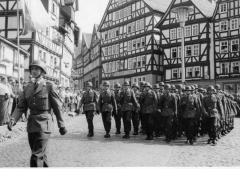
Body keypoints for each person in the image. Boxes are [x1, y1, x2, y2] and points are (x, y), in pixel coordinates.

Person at [8, 60, 67, 167]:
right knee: (40, 155)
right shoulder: (27, 88)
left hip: (45, 124)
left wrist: (61, 125)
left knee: (36, 155)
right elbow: (21, 106)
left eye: (37, 68)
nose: (34, 71)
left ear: (42, 71)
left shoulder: (49, 86)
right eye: (32, 69)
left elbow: (57, 107)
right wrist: (13, 119)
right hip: (32, 125)